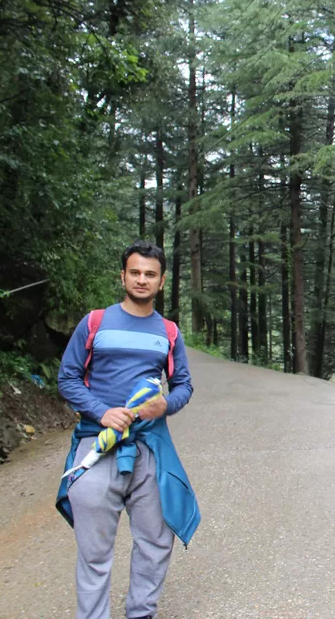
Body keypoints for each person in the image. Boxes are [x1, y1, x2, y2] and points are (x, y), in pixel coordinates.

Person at [55, 240, 200, 619]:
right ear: (122, 276)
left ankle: (141, 612)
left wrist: (165, 404)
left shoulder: (169, 332)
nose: (141, 279)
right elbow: (67, 377)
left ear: (161, 282)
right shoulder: (94, 323)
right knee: (94, 551)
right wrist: (102, 412)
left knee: (157, 540)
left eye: (150, 274)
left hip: (149, 447)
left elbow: (183, 385)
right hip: (97, 446)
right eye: (135, 272)